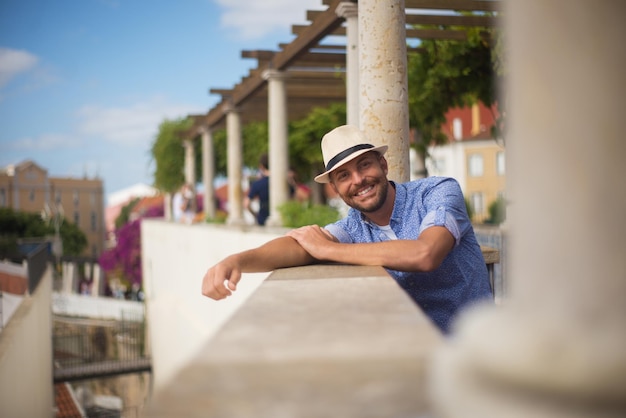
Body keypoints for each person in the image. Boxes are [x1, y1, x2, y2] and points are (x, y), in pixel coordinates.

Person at [201, 125, 492, 334]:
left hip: (477, 349)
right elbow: (298, 246)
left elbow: (426, 253)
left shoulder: (438, 191)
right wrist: (235, 261)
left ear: (383, 164)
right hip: (413, 355)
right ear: (336, 188)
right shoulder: (353, 227)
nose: (358, 180)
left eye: (364, 165)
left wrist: (329, 249)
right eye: (343, 175)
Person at [245, 154, 271, 225]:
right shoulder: (282, 182)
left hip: (263, 218)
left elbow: (246, 204)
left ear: (261, 166)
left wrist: (255, 215)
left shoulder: (257, 184)